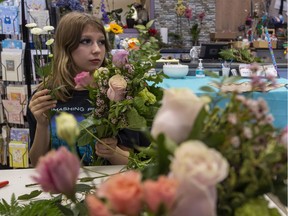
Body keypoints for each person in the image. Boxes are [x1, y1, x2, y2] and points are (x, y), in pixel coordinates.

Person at [27, 12, 149, 167]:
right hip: (59, 186)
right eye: (86, 41)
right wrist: (42, 125)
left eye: (102, 42)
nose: (97, 50)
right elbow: (37, 163)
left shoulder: (118, 93)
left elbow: (133, 162)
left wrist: (112, 152)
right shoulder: (45, 96)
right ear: (66, 46)